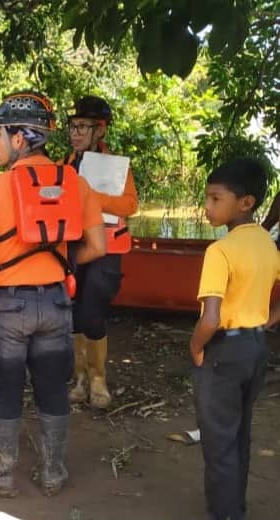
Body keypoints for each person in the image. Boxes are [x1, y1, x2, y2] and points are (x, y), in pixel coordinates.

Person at [0, 92, 105, 496]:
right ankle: (54, 473)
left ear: (19, 139)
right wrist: (63, 265)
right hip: (56, 304)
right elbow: (98, 246)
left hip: (7, 308)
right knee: (53, 388)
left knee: (5, 388)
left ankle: (2, 475)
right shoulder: (76, 184)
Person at [192, 158, 277, 520]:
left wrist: (196, 346)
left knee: (218, 442)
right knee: (240, 433)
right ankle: (235, 509)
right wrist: (267, 321)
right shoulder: (267, 244)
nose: (208, 207)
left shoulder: (220, 250)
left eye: (215, 199)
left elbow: (210, 318)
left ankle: (224, 515)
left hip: (223, 351)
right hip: (257, 347)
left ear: (246, 202)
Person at [62, 96, 139, 409]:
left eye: (83, 126)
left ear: (100, 130)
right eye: (73, 126)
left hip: (107, 247)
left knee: (92, 311)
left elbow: (130, 205)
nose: (76, 132)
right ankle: (80, 377)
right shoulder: (63, 165)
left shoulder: (118, 168)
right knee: (73, 312)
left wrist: (90, 195)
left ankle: (98, 379)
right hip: (74, 245)